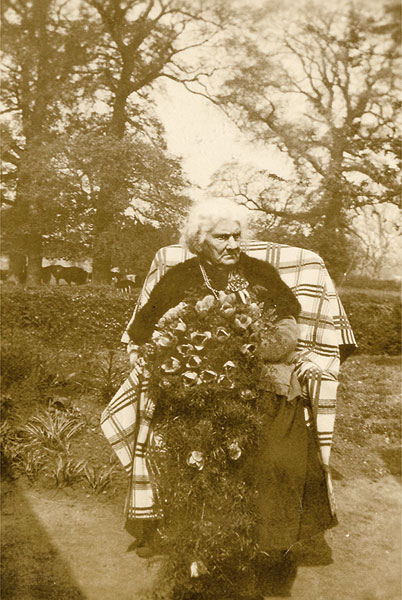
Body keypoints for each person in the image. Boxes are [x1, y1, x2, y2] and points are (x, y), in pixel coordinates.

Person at [106, 199, 336, 574]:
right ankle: (187, 539)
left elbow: (289, 322)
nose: (232, 244)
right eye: (222, 237)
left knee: (278, 455)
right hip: (196, 386)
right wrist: (170, 350)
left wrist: (255, 348)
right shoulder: (179, 277)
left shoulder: (259, 273)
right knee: (190, 447)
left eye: (236, 236)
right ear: (200, 239)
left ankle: (267, 545)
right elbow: (142, 329)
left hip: (259, 381)